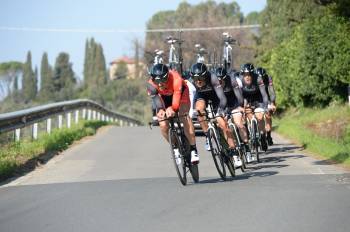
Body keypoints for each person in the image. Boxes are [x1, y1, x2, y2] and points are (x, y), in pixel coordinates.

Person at [190, 63, 242, 167]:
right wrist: (192, 111)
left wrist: (220, 110)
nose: (198, 81)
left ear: (206, 76)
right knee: (199, 111)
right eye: (196, 78)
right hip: (201, 96)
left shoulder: (213, 78)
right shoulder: (192, 82)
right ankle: (208, 136)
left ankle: (235, 153)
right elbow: (191, 99)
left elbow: (222, 98)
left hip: (216, 97)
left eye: (201, 78)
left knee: (224, 126)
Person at [147, 63, 199, 164]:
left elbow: (175, 104)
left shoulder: (176, 79)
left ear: (167, 77)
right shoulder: (151, 85)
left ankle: (193, 149)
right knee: (162, 124)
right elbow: (157, 102)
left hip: (180, 93)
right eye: (157, 81)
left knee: (184, 115)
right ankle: (175, 147)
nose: (160, 84)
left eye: (162, 80)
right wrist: (161, 110)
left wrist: (172, 109)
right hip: (164, 98)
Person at [215, 67, 251, 156]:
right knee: (220, 125)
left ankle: (246, 146)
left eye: (222, 80)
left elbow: (239, 98)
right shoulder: (214, 84)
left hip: (234, 104)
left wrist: (240, 107)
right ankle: (226, 147)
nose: (220, 82)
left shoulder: (232, 81)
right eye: (218, 80)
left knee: (238, 123)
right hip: (221, 106)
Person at [240, 63, 269, 151]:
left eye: (249, 75)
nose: (247, 77)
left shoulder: (258, 79)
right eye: (245, 75)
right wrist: (242, 107)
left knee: (259, 117)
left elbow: (264, 94)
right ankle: (250, 135)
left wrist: (266, 106)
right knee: (245, 117)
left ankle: (263, 136)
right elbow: (239, 96)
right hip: (246, 99)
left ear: (253, 74)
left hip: (258, 99)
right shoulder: (240, 81)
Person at [255, 67, 276, 145]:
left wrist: (273, 102)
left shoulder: (268, 78)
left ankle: (269, 135)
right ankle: (259, 134)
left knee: (268, 115)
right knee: (258, 117)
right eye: (259, 77)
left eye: (263, 77)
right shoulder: (254, 80)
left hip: (267, 98)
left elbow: (272, 91)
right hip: (258, 99)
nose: (261, 79)